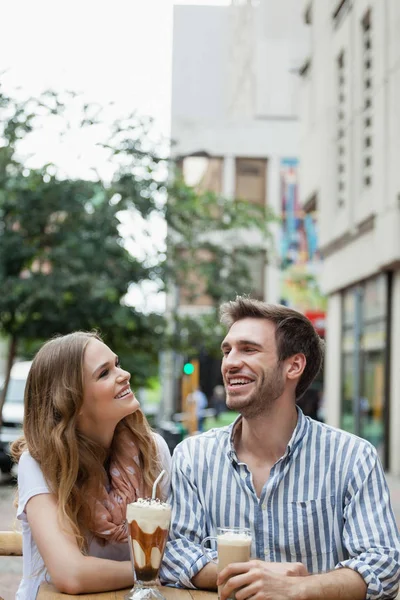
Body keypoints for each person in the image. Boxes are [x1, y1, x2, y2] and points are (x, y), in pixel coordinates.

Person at [160, 297, 400, 600]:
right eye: (227, 350)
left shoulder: (352, 457)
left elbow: (384, 565)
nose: (230, 362)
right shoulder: (192, 456)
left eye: (249, 349)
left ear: (294, 366)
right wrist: (258, 576)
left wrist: (298, 588)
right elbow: (174, 552)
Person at [11, 331, 171, 600]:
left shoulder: (151, 450)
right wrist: (151, 572)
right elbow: (70, 574)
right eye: (104, 373)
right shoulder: (41, 461)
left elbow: (176, 545)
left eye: (117, 364)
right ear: (71, 401)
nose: (124, 374)